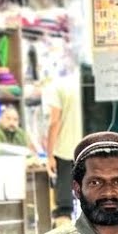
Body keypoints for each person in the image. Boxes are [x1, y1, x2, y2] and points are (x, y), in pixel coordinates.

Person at [45, 67, 83, 224]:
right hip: (88, 149)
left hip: (66, 151)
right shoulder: (83, 85)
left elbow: (54, 122)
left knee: (64, 206)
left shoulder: (56, 87)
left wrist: (49, 154)